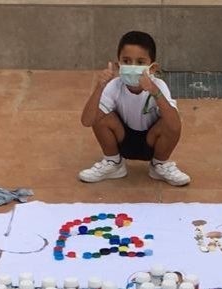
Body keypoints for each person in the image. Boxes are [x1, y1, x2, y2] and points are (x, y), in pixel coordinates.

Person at [78, 30, 190, 186]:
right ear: (119, 65)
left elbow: (174, 125)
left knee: (170, 118)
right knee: (100, 114)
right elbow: (87, 121)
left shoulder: (159, 86)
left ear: (152, 68)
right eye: (127, 61)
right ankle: (113, 163)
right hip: (122, 138)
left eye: (140, 62)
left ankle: (159, 165)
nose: (132, 67)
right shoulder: (113, 86)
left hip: (151, 141)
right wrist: (99, 87)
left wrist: (154, 92)